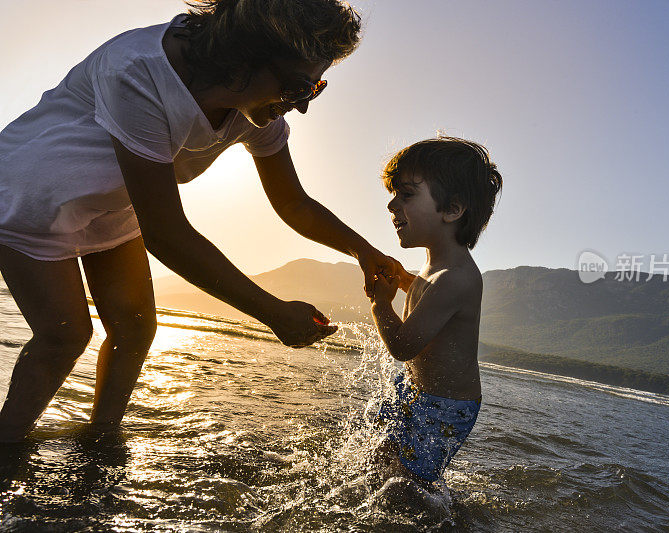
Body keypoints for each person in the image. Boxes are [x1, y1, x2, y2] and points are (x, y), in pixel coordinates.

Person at [0, 0, 407, 442]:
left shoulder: (260, 110)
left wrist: (365, 253)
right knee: (64, 335)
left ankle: (99, 444)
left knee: (135, 328)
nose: (302, 106)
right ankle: (7, 447)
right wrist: (270, 312)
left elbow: (293, 203)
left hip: (114, 205)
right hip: (32, 194)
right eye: (295, 87)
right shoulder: (139, 71)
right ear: (245, 55)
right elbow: (166, 234)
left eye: (314, 89)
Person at [368, 136, 502, 487]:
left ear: (452, 209)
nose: (392, 205)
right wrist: (402, 281)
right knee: (381, 461)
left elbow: (402, 346)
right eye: (394, 194)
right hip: (416, 390)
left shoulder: (457, 278)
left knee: (411, 487)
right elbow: (426, 294)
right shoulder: (436, 270)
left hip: (444, 407)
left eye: (407, 195)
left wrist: (379, 303)